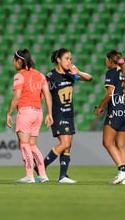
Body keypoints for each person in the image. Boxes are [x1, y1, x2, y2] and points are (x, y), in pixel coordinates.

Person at [42, 48, 92, 183]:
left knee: (68, 145)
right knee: (65, 143)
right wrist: (48, 113)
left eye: (70, 59)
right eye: (67, 58)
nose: (69, 61)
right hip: (58, 115)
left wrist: (78, 72)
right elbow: (43, 94)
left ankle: (62, 176)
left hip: (69, 114)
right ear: (58, 60)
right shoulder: (50, 76)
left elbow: (89, 78)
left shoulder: (71, 74)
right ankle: (41, 166)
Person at [7, 49, 53, 183]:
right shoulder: (40, 75)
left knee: (24, 144)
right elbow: (47, 95)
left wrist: (9, 113)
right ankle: (42, 174)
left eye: (14, 60)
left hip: (25, 112)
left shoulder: (19, 76)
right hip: (38, 112)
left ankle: (29, 175)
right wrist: (49, 113)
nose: (13, 63)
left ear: (19, 61)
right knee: (32, 145)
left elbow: (17, 96)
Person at [94, 50, 125, 185]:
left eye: (106, 59)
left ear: (110, 60)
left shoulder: (111, 72)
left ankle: (123, 169)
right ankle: (122, 177)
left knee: (107, 142)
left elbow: (110, 93)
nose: (105, 62)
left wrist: (100, 107)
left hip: (116, 110)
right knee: (121, 145)